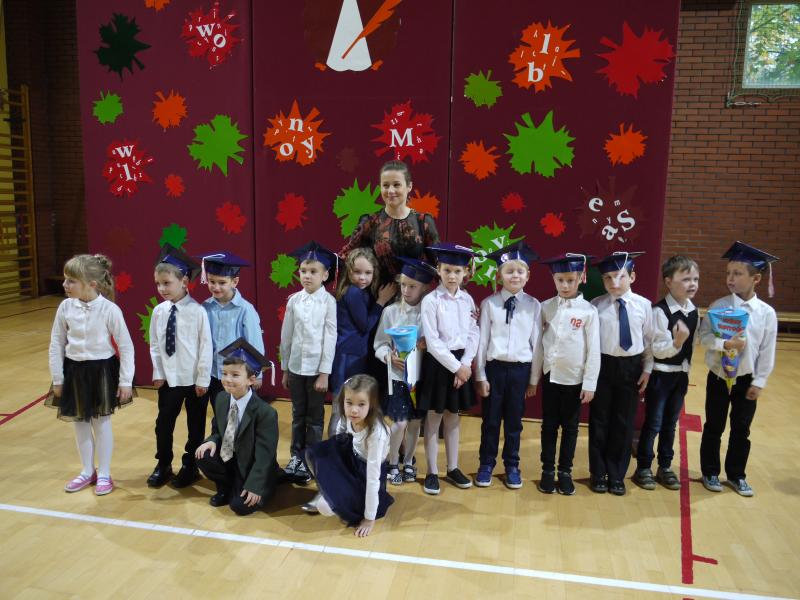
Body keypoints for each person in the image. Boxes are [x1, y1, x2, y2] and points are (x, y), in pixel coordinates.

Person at [46, 254, 134, 496]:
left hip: (101, 371)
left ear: (91, 284)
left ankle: (104, 473)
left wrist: (126, 381)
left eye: (71, 281)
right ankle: (87, 471)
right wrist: (58, 378)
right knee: (80, 423)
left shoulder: (109, 310)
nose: (65, 285)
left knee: (101, 423)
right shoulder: (65, 307)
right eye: (65, 279)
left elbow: (126, 347)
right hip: (74, 371)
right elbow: (56, 343)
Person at [699, 242, 778, 497]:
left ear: (756, 278)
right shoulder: (718, 306)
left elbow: (767, 350)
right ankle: (710, 471)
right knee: (714, 425)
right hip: (719, 376)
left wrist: (759, 381)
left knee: (741, 429)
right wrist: (724, 344)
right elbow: (704, 337)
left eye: (737, 273)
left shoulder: (766, 314)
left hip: (746, 379)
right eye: (728, 273)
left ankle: (736, 475)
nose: (730, 278)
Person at [192, 252, 265, 488]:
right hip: (214, 376)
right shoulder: (205, 307)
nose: (216, 287)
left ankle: (240, 472)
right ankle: (220, 472)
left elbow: (254, 344)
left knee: (236, 425)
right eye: (212, 281)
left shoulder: (245, 310)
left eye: (222, 282)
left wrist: (257, 374)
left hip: (237, 380)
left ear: (235, 281)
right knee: (220, 424)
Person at [474, 242, 541, 490]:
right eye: (509, 271)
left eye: (520, 271)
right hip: (495, 369)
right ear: (499, 275)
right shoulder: (489, 304)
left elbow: (537, 344)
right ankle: (486, 464)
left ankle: (512, 465)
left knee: (514, 422)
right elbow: (482, 342)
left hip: (520, 371)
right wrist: (480, 375)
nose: (515, 276)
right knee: (490, 420)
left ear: (528, 275)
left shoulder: (534, 305)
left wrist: (533, 379)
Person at [533, 253, 600, 495]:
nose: (565, 285)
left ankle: (565, 472)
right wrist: (534, 379)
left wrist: (590, 383)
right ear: (553, 279)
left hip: (575, 380)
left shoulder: (589, 311)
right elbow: (539, 345)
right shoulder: (545, 307)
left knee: (571, 428)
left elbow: (594, 350)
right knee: (549, 426)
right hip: (551, 376)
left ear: (581, 278)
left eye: (570, 280)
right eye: (560, 280)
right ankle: (547, 470)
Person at [147, 244, 213, 488]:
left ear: (184, 281)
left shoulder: (198, 311)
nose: (162, 289)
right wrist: (158, 372)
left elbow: (205, 346)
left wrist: (203, 379)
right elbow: (155, 345)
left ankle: (190, 466)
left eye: (167, 283)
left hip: (194, 381)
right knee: (163, 424)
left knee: (195, 426)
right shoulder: (158, 312)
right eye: (158, 284)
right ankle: (163, 464)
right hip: (169, 380)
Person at [589, 251, 653, 496]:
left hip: (631, 367)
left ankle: (616, 474)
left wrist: (647, 369)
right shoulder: (596, 305)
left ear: (632, 277)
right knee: (599, 420)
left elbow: (649, 340)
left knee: (624, 422)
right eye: (608, 277)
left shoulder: (644, 306)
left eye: (620, 276)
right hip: (603, 366)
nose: (614, 282)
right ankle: (598, 472)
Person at [633, 256, 700, 491]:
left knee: (671, 423)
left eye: (695, 279)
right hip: (661, 375)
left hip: (680, 375)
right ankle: (643, 467)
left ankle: (665, 466)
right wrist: (677, 342)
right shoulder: (659, 312)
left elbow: (693, 345)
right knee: (653, 423)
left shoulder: (693, 311)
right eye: (686, 279)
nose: (692, 284)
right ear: (669, 282)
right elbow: (656, 349)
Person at [417, 243, 480, 495]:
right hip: (439, 363)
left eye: (457, 271)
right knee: (434, 417)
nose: (452, 276)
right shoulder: (431, 301)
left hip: (461, 362)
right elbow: (432, 342)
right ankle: (432, 471)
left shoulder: (468, 300)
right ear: (438, 270)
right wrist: (456, 367)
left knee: (453, 417)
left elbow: (473, 332)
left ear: (465, 273)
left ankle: (452, 467)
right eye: (447, 270)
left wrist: (465, 364)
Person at [195, 338, 282, 516]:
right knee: (203, 454)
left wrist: (255, 486)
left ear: (251, 380)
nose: (227, 379)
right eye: (224, 373)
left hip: (252, 465)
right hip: (231, 457)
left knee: (239, 507)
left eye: (235, 375)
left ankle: (266, 482)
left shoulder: (265, 413)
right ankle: (226, 487)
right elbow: (218, 430)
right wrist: (212, 440)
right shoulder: (221, 398)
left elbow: (265, 455)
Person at [303, 374, 394, 537]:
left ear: (371, 405)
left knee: (324, 507)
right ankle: (329, 490)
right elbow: (338, 442)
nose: (354, 410)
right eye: (349, 403)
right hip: (352, 461)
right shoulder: (346, 418)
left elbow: (373, 478)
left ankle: (349, 499)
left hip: (366, 474)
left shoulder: (376, 434)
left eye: (361, 404)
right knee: (316, 453)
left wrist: (369, 519)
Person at [373, 256, 437, 485]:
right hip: (398, 378)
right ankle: (392, 462)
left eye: (413, 286)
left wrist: (426, 344)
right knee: (399, 422)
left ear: (424, 288)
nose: (406, 290)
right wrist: (388, 357)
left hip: (421, 377)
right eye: (403, 285)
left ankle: (408, 461)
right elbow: (380, 343)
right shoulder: (390, 312)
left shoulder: (429, 313)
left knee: (415, 423)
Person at [280, 241, 338, 484]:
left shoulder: (328, 302)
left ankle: (311, 459)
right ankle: (296, 457)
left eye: (313, 271)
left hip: (316, 371)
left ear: (324, 275)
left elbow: (330, 338)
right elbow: (286, 335)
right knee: (297, 415)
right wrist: (285, 368)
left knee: (314, 418)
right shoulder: (294, 300)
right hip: (295, 368)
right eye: (303, 270)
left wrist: (324, 373)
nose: (307, 276)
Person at [328, 247, 396, 433]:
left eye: (367, 273)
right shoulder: (353, 292)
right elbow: (365, 325)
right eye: (357, 272)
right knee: (341, 406)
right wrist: (381, 301)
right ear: (349, 271)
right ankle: (335, 444)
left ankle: (346, 442)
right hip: (348, 356)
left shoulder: (359, 292)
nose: (362, 278)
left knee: (348, 404)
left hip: (353, 354)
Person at [339, 160, 440, 283]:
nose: (390, 191)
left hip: (416, 293)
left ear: (409, 186)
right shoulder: (370, 222)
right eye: (385, 185)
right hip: (381, 293)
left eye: (396, 185)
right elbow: (346, 256)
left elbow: (439, 265)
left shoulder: (423, 222)